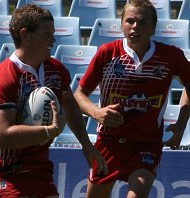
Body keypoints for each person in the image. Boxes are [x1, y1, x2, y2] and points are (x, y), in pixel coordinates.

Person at [0, 4, 107, 197]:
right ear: (25, 34)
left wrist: (87, 145)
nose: (53, 40)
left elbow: (69, 103)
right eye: (46, 34)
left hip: (37, 167)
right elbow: (2, 136)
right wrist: (47, 131)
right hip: (1, 170)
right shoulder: (4, 77)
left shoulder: (57, 70)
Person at [74, 0, 190, 197]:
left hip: (147, 144)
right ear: (122, 25)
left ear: (153, 28)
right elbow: (79, 94)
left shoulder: (171, 56)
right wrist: (96, 112)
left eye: (142, 22)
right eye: (129, 21)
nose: (135, 26)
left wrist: (181, 125)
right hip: (108, 142)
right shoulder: (107, 53)